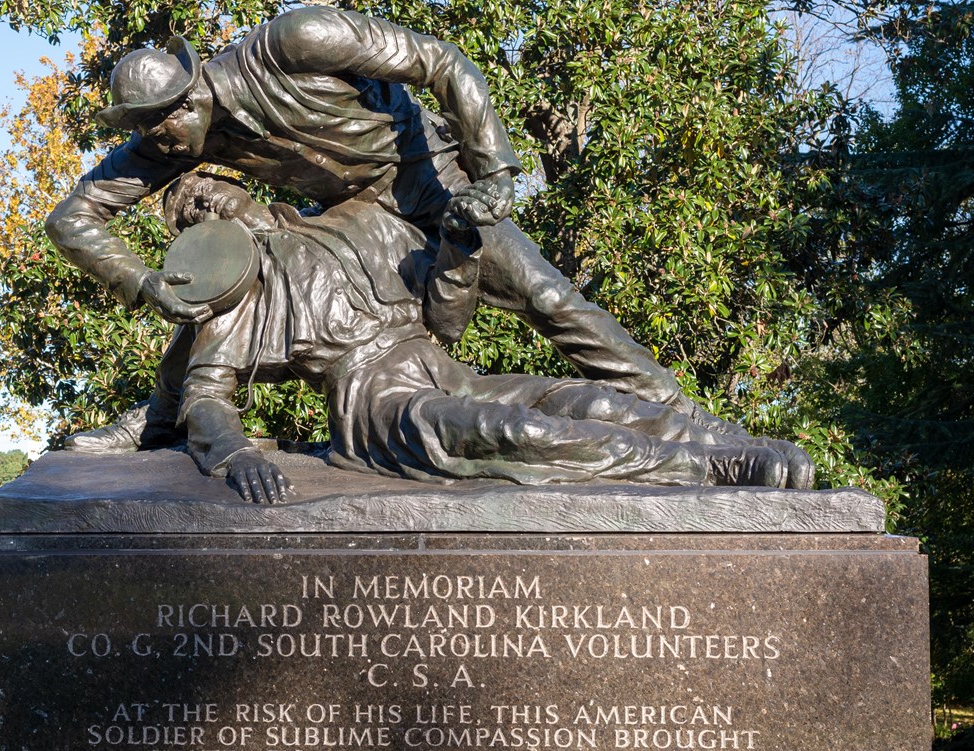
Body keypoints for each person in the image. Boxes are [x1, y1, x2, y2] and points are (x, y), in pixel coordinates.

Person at [46, 6, 743, 452]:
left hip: (433, 179)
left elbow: (440, 61)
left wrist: (494, 169)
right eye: (141, 130)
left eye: (158, 122)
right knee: (231, 262)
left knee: (550, 300)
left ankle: (691, 424)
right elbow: (72, 218)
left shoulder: (294, 41)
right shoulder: (178, 140)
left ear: (191, 90)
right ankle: (164, 416)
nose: (155, 142)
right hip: (360, 218)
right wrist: (143, 283)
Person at [158, 175, 809, 503]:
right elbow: (205, 390)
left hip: (442, 365)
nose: (202, 203)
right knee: (518, 433)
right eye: (187, 212)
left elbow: (447, 312)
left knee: (587, 401)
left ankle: (734, 442)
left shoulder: (359, 218)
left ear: (237, 184)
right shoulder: (238, 288)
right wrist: (232, 453)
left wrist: (462, 246)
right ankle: (710, 470)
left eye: (204, 188)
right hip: (377, 401)